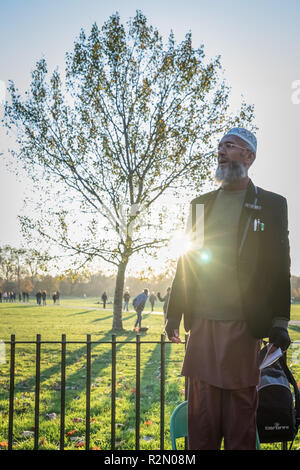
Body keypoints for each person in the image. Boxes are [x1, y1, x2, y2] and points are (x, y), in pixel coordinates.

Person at [165, 127, 291, 450]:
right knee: (201, 424)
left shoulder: (272, 205)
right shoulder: (200, 206)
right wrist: (173, 312)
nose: (221, 151)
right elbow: (186, 260)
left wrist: (280, 321)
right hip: (203, 327)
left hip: (243, 329)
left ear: (249, 156)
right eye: (219, 146)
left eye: (230, 146)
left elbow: (280, 265)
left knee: (240, 428)